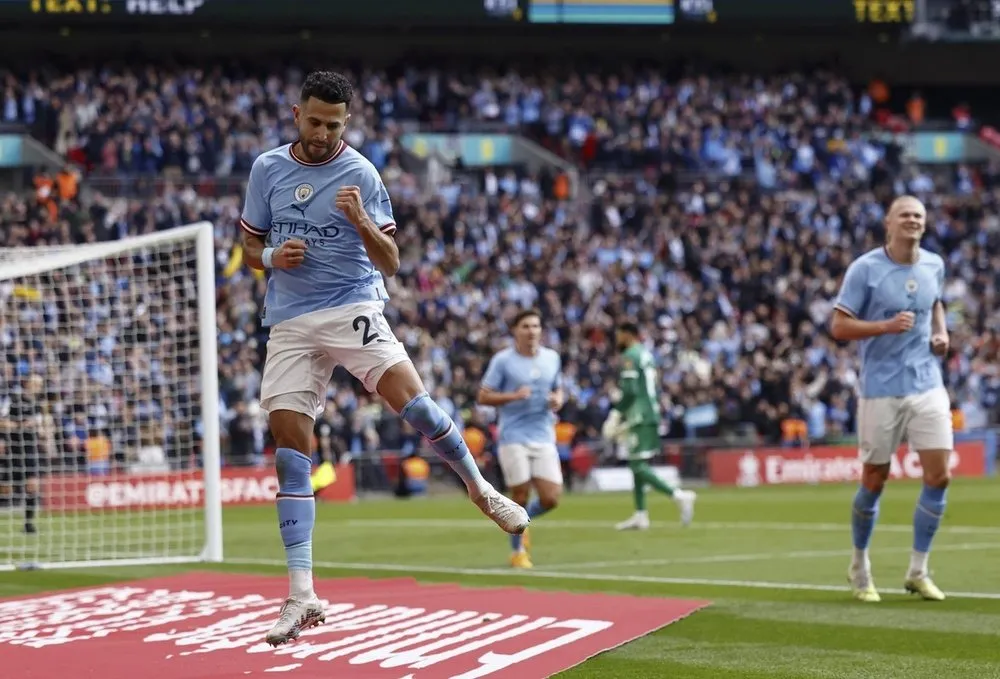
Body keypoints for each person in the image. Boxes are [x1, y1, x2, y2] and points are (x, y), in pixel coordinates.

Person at [239, 71, 530, 647]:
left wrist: (362, 221)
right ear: (296, 114)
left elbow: (393, 261)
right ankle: (301, 595)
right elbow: (249, 244)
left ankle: (480, 489)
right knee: (290, 455)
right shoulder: (267, 169)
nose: (323, 133)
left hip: (352, 304)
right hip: (290, 320)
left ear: (347, 123)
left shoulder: (361, 173)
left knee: (415, 408)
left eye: (335, 125)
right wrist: (273, 255)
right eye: (315, 121)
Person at [830, 195, 951, 603]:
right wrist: (883, 326)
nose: (913, 220)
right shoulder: (865, 269)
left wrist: (941, 333)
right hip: (881, 388)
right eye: (905, 215)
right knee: (874, 481)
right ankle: (859, 565)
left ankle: (918, 570)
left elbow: (935, 302)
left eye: (918, 215)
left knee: (939, 475)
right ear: (889, 223)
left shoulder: (934, 264)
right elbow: (839, 327)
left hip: (927, 382)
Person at [477, 309, 564, 569]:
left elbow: (558, 387)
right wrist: (513, 396)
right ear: (515, 331)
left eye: (536, 326)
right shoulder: (503, 361)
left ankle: (521, 523)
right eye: (526, 326)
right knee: (521, 494)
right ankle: (517, 553)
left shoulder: (552, 358)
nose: (532, 331)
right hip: (513, 435)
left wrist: (558, 399)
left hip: (543, 433)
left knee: (551, 498)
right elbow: (483, 396)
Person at [601, 322, 696, 530]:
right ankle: (640, 514)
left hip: (639, 415)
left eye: (620, 334)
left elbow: (631, 390)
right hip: (650, 412)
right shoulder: (645, 354)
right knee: (638, 464)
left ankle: (678, 495)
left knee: (637, 465)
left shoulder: (630, 356)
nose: (617, 339)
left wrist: (616, 414)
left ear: (628, 334)